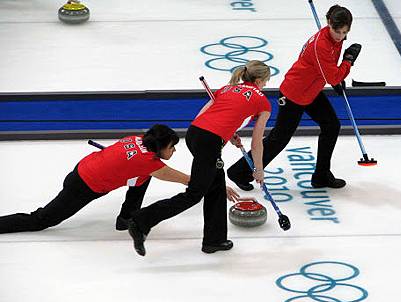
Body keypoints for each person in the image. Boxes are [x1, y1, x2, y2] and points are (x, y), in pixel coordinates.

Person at [127, 60, 272, 256]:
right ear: (258, 80)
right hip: (209, 142)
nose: (265, 86)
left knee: (216, 187)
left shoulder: (227, 88)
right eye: (266, 81)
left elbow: (204, 116)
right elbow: (257, 143)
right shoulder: (262, 101)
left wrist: (227, 134)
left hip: (195, 134)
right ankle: (141, 221)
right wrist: (259, 170)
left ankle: (215, 240)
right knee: (195, 193)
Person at [227, 5, 361, 191]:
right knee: (279, 139)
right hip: (294, 94)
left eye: (344, 32)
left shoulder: (334, 39)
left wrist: (335, 74)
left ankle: (321, 175)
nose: (340, 36)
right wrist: (347, 62)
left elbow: (328, 71)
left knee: (331, 125)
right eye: (337, 31)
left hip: (311, 91)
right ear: (329, 23)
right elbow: (333, 76)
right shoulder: (321, 45)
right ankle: (238, 172)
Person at [0, 124, 192, 234]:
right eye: (172, 146)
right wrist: (210, 183)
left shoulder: (136, 139)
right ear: (159, 146)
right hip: (83, 185)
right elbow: (186, 180)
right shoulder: (147, 162)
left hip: (84, 170)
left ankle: (126, 218)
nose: (174, 150)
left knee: (144, 177)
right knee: (41, 220)